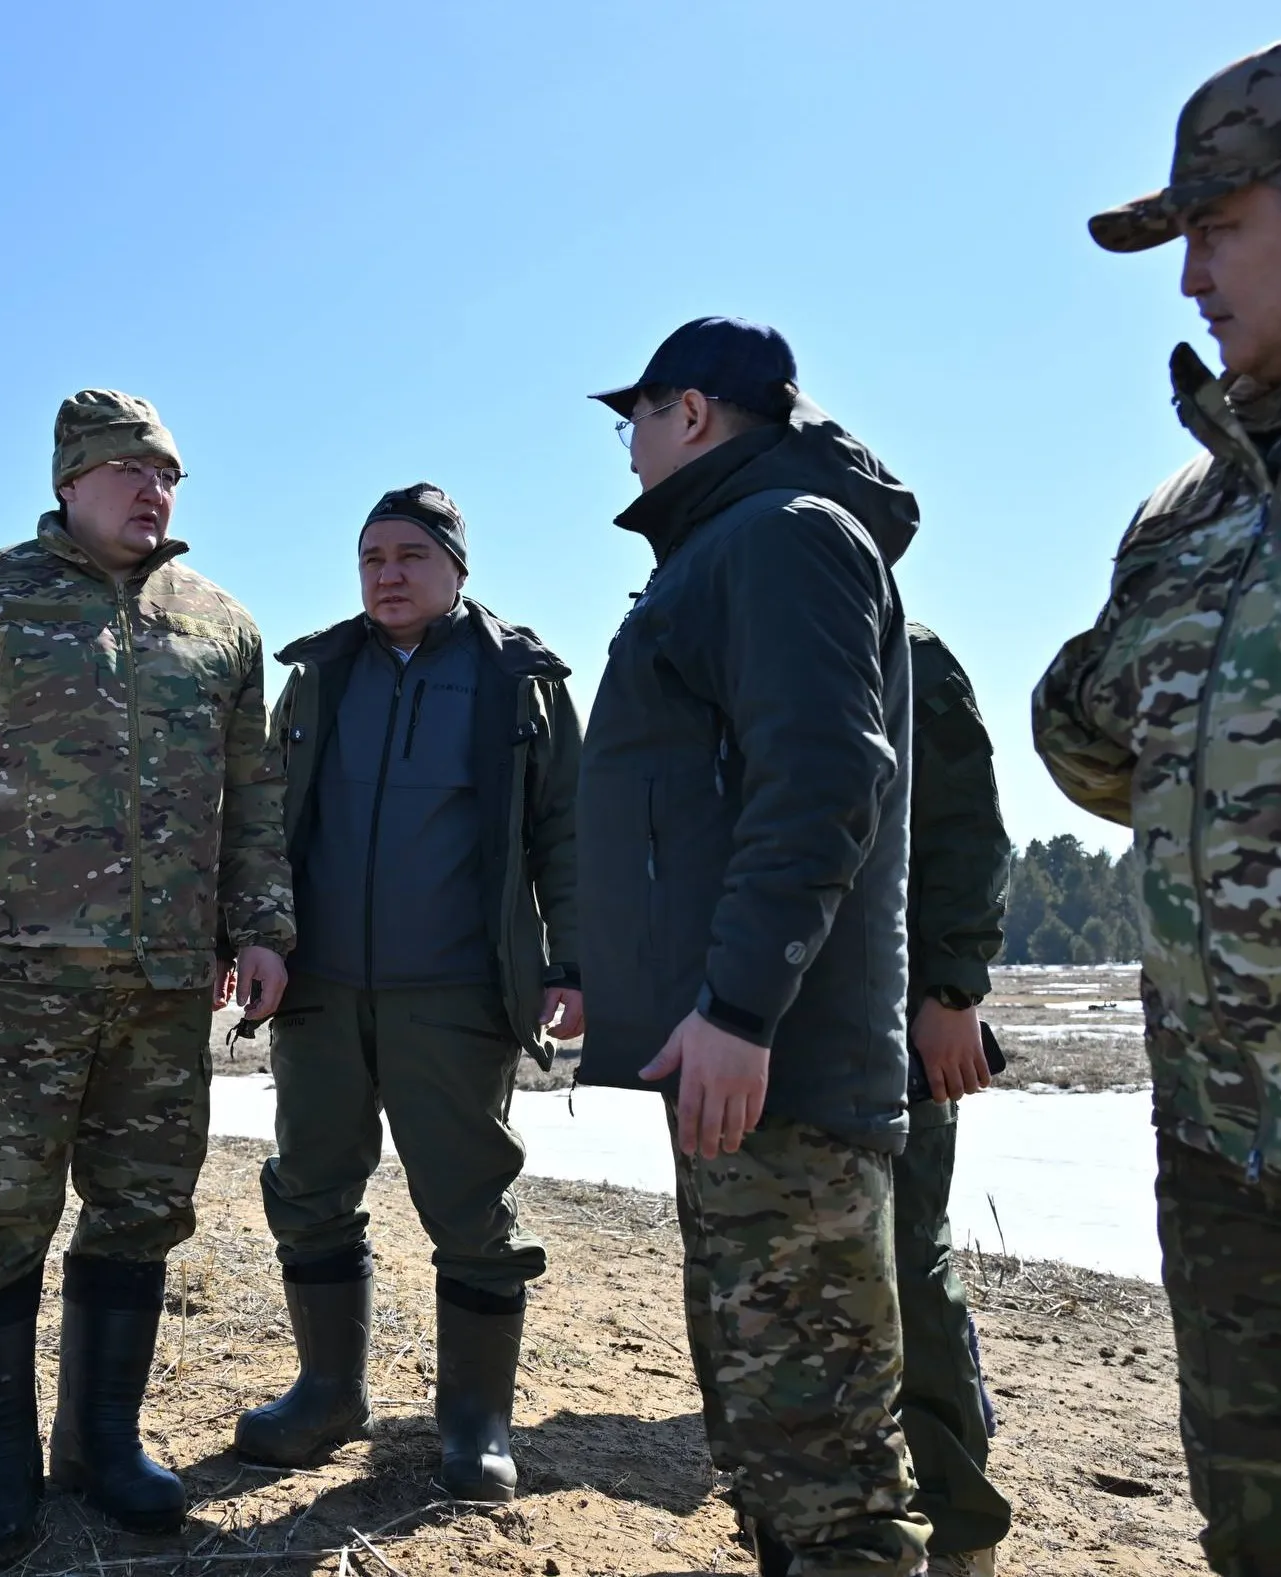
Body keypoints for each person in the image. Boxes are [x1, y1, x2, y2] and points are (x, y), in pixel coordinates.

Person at [1033, 27, 1281, 1572]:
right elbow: (1093, 749)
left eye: (1221, 227)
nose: (1191, 278)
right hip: (1239, 1164)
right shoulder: (1194, 501)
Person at [0, 389, 295, 1563]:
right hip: (23, 968)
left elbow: (255, 798)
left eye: (166, 475)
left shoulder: (220, 625)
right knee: (6, 1207)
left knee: (142, 1209)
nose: (151, 490)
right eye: (125, 470)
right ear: (68, 479)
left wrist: (261, 929)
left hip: (167, 978)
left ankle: (102, 1443)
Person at [573, 317, 928, 1576]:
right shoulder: (728, 544)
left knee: (825, 1462)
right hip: (732, 1064)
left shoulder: (783, 536)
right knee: (771, 1436)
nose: (625, 450)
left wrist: (740, 1003)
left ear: (693, 413)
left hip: (780, 1068)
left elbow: (820, 776)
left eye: (635, 418)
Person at [232, 483, 584, 1500]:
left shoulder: (519, 678)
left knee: (472, 1206)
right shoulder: (319, 674)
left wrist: (573, 963)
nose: (387, 573)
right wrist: (250, 935)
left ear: (455, 568)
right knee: (308, 1188)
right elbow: (262, 818)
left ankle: (473, 1423)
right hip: (320, 987)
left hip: (458, 990)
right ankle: (326, 1394)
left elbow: (567, 828)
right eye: (370, 556)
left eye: (409, 556)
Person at [893, 622, 1014, 1577]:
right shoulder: (713, 634)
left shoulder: (911, 653)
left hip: (895, 1024)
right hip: (753, 1026)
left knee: (908, 1270)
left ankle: (960, 1526)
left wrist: (953, 992)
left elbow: (966, 828)